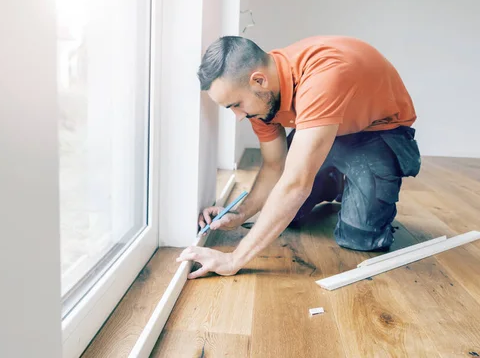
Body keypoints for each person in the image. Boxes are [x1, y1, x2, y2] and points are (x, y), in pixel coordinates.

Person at [176, 35, 421, 279]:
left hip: (378, 132)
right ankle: (331, 180)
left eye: (236, 105)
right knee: (289, 215)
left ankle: (347, 179)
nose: (238, 116)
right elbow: (274, 165)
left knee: (361, 237)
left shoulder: (322, 78)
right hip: (329, 127)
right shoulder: (261, 99)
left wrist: (233, 260)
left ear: (259, 80)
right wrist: (241, 214)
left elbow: (294, 185)